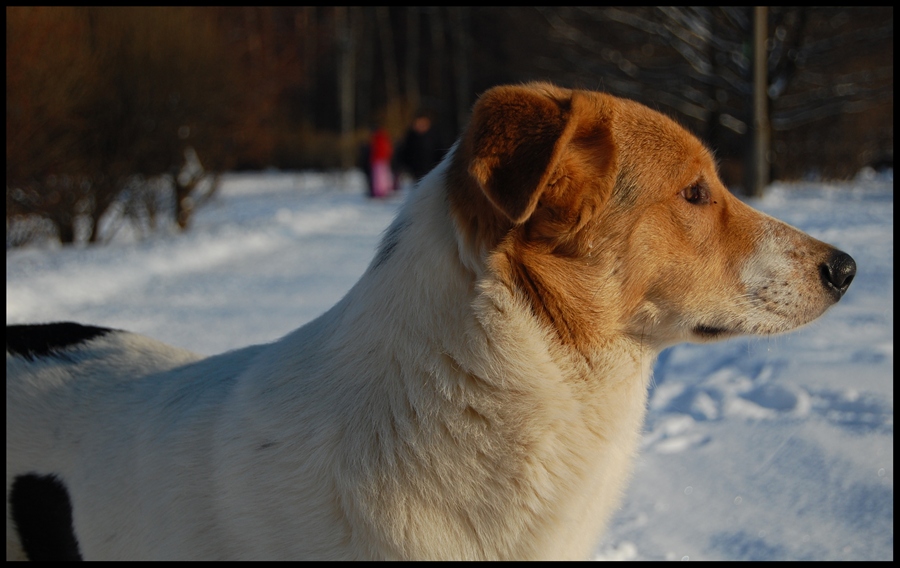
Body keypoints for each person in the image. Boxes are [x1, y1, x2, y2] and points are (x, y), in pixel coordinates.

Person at [396, 111, 443, 183]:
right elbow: (404, 153)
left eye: (422, 123)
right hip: (416, 172)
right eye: (418, 123)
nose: (420, 125)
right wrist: (405, 167)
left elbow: (440, 152)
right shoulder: (411, 136)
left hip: (432, 171)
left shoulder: (434, 135)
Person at [368, 126, 395, 198]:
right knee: (383, 176)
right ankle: (383, 191)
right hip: (383, 160)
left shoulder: (378, 139)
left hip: (379, 160)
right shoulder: (383, 138)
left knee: (379, 177)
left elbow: (378, 150)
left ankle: (381, 192)